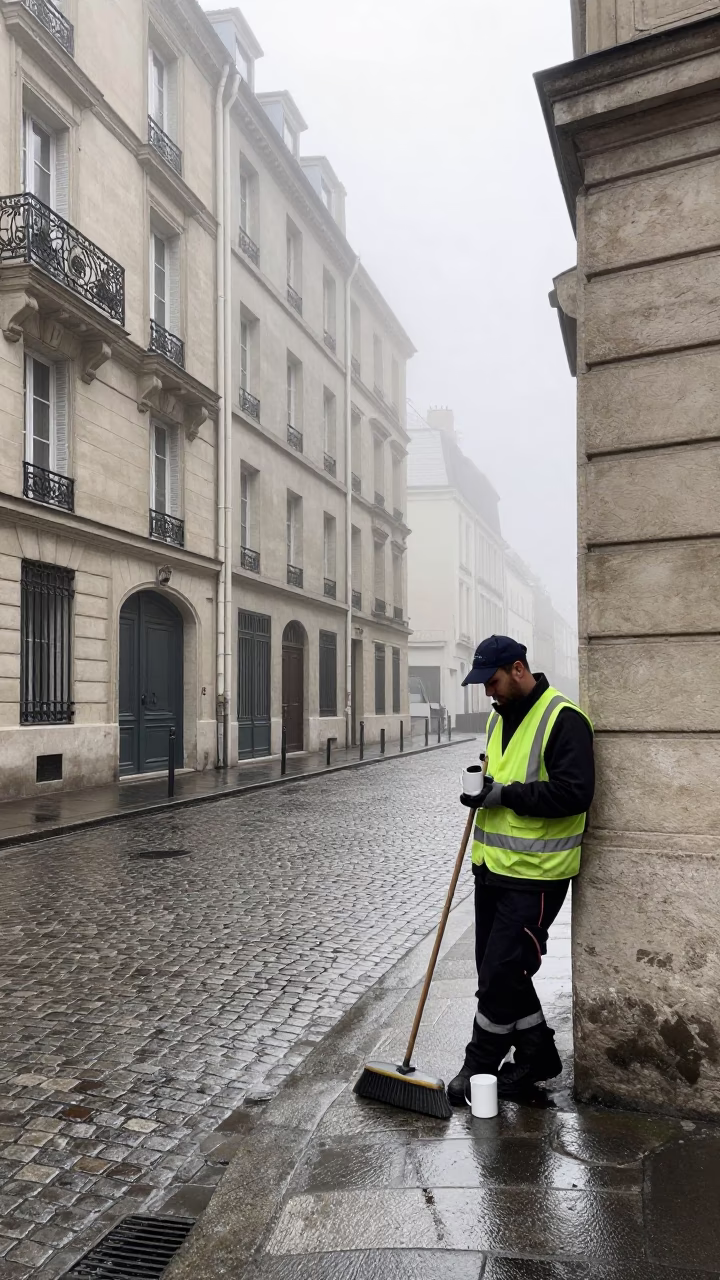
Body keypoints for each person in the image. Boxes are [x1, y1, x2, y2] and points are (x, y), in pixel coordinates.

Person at [448, 634, 594, 1104]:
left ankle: (478, 1065)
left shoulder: (563, 719)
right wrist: (482, 790)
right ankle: (537, 1055)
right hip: (492, 868)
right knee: (498, 972)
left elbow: (575, 793)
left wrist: (504, 795)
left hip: (538, 874)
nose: (487, 692)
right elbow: (505, 775)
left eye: (492, 682)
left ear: (517, 669)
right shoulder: (498, 718)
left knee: (501, 973)